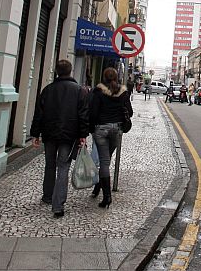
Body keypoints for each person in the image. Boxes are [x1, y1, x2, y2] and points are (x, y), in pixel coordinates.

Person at [30, 59, 89, 217]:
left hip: (49, 134)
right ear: (70, 71)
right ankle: (58, 205)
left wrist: (35, 134)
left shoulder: (48, 90)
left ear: (57, 72)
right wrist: (83, 135)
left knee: (50, 165)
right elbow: (83, 115)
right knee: (63, 167)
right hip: (69, 136)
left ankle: (47, 196)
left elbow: (39, 114)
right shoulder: (79, 90)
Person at [89, 67, 133, 208]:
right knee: (106, 160)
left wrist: (91, 128)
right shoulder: (123, 92)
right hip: (116, 130)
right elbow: (130, 112)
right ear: (116, 77)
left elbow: (93, 112)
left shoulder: (98, 91)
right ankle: (99, 187)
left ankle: (106, 197)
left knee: (104, 162)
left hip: (101, 129)